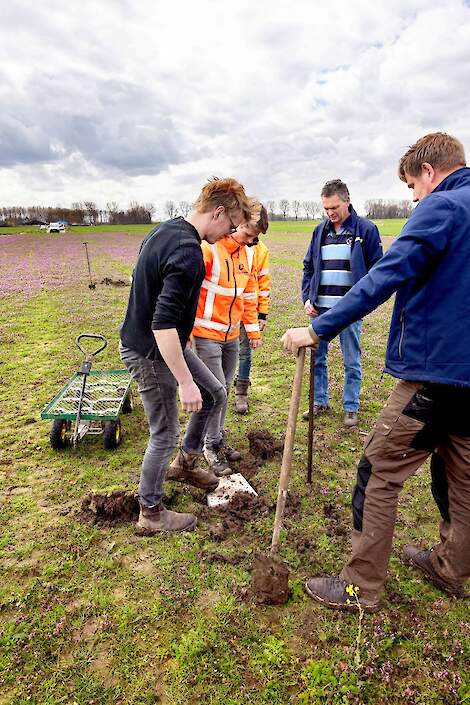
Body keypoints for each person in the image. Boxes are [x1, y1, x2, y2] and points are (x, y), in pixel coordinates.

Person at [282, 132, 470, 610]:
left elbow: (384, 276)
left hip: (436, 375)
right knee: (462, 476)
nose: (413, 197)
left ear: (429, 172)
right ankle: (451, 567)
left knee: (378, 468)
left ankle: (361, 585)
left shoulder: (442, 208)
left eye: (413, 185)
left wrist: (318, 328)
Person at [120, 177, 252, 534]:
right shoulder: (188, 253)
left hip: (171, 342)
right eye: (231, 225)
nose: (229, 234)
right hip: (150, 350)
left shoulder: (169, 230)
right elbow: (161, 326)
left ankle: (188, 461)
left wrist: (185, 338)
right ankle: (150, 512)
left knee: (215, 392)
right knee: (164, 432)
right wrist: (183, 381)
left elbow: (158, 296)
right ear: (219, 211)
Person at [191, 199, 269, 475]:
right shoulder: (208, 248)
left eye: (255, 238)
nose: (251, 241)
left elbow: (247, 297)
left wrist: (253, 330)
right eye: (248, 234)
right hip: (205, 334)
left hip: (231, 335)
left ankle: (217, 439)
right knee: (216, 393)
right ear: (238, 222)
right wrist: (187, 334)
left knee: (223, 388)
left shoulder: (247, 254)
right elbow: (189, 293)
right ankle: (210, 446)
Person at [301, 180, 382, 427]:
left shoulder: (366, 230)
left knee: (351, 360)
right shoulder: (319, 231)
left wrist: (363, 303)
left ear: (347, 200)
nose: (330, 213)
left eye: (334, 207)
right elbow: (308, 267)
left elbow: (378, 270)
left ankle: (350, 407)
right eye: (325, 208)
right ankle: (320, 401)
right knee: (318, 359)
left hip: (349, 311)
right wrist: (307, 298)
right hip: (321, 310)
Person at [233, 237, 271, 414]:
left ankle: (241, 392)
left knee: (245, 352)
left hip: (248, 309)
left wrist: (262, 313)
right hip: (224, 308)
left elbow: (263, 282)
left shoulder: (260, 250)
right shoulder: (225, 243)